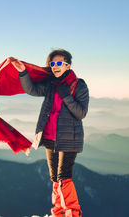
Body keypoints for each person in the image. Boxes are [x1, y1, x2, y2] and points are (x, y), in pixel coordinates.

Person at [9, 49, 89, 217]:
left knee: (64, 177)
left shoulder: (78, 85)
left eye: (59, 63)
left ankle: (72, 213)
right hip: (49, 137)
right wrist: (23, 72)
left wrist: (67, 96)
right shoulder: (51, 84)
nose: (55, 66)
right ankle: (58, 212)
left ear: (68, 65)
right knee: (55, 178)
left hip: (68, 139)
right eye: (52, 64)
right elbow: (31, 90)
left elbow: (81, 113)